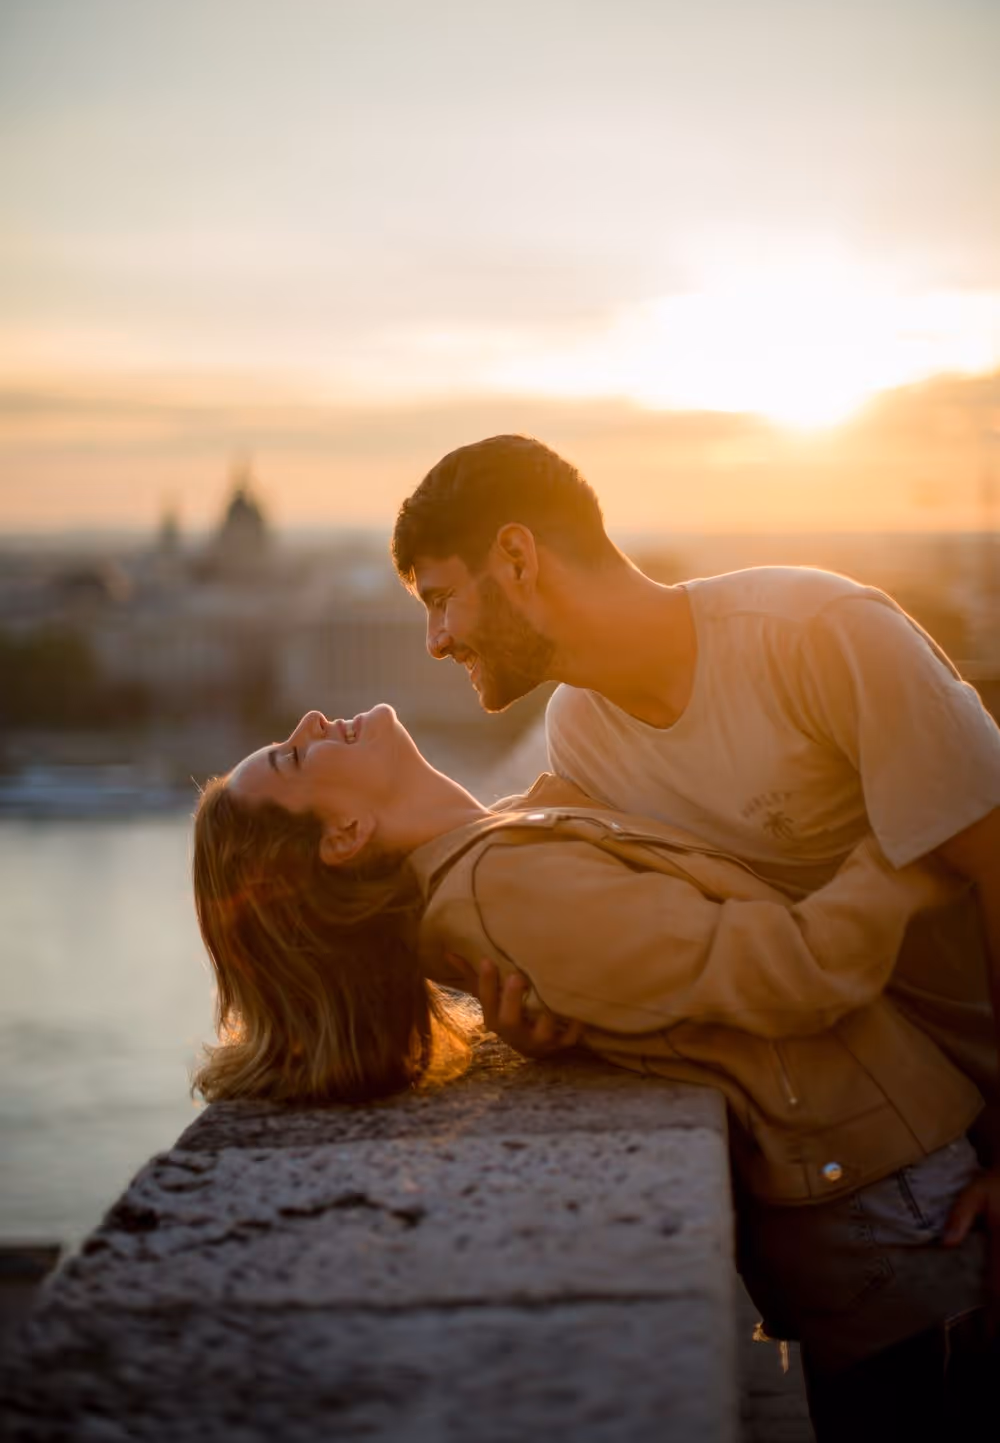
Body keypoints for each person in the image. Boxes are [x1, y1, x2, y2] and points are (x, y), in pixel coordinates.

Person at [392, 433, 1000, 1431]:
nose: (436, 640)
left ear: (516, 557)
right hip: (894, 1142)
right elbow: (655, 932)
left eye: (438, 597)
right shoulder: (583, 731)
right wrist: (550, 1024)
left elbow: (989, 861)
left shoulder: (817, 632)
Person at [192, 704, 991, 1437]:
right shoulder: (503, 891)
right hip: (882, 1199)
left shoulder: (493, 858)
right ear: (345, 834)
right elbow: (793, 970)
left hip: (874, 1185)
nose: (310, 721)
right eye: (294, 759)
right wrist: (918, 845)